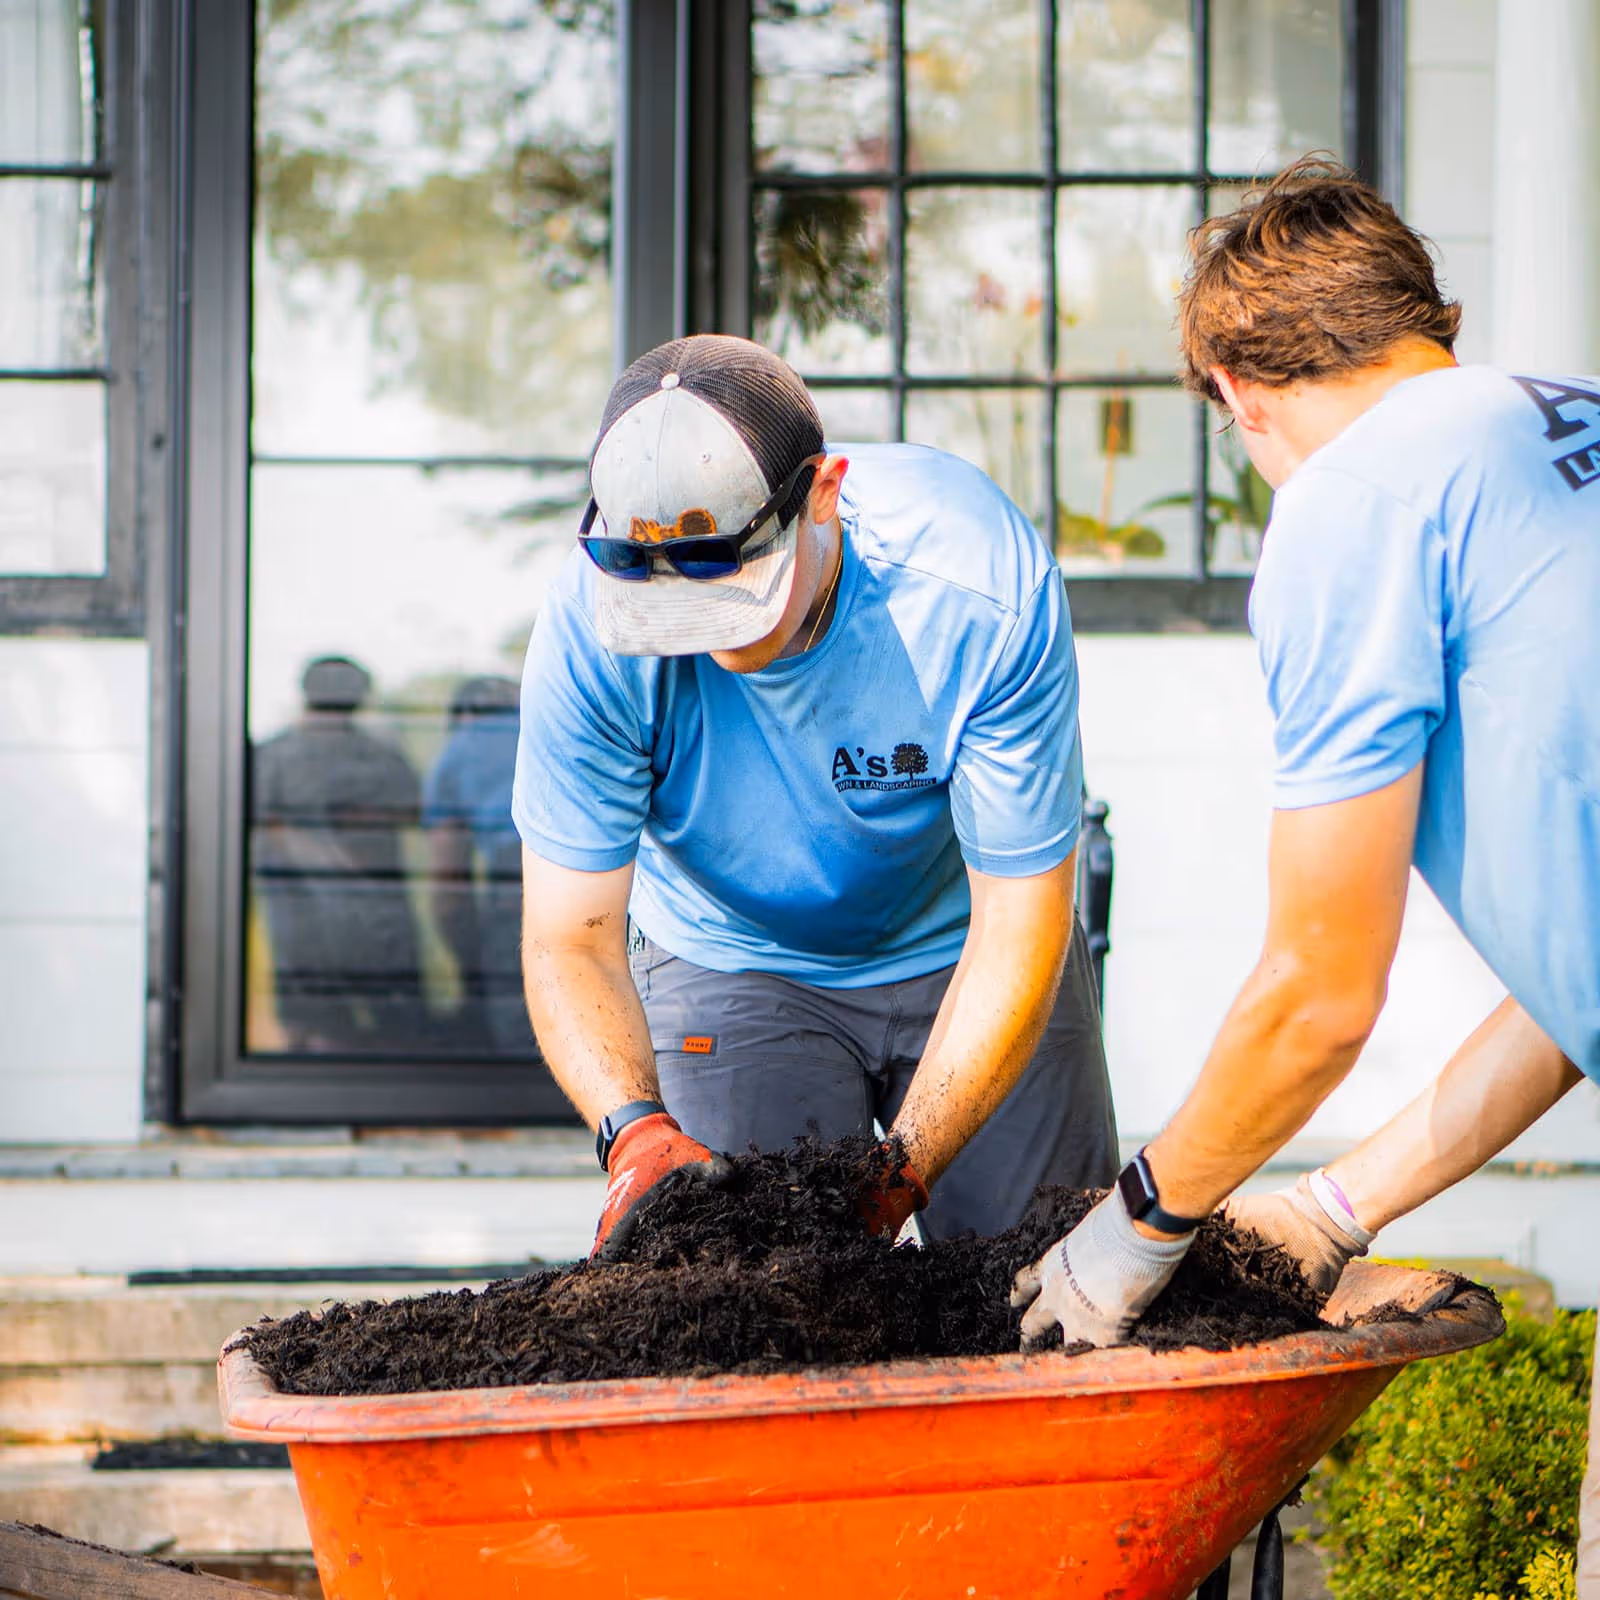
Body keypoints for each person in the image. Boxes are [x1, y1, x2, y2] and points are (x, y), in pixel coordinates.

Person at [1009, 158, 1600, 1587]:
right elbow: (1580, 980)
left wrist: (1136, 1228)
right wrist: (1335, 1208)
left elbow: (1321, 994)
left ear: (1238, 389)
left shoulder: (1353, 504)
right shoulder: (1562, 440)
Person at [513, 333, 1117, 1256]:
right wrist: (633, 1131)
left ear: (823, 493)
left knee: (1040, 1277)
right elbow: (571, 935)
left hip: (969, 948)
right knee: (759, 1299)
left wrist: (899, 1176)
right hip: (733, 957)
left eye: (724, 580)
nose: (701, 638)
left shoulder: (972, 588)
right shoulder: (589, 629)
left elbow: (1019, 926)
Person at [252, 654, 426, 1052]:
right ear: (361, 696)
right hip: (369, 925)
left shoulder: (272, 754)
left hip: (308, 922)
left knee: (311, 1025)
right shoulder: (382, 756)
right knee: (392, 1032)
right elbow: (416, 810)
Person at [423, 675, 531, 1054]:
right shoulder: (552, 728)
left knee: (522, 1040)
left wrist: (470, 965)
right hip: (606, 880)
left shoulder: (455, 755)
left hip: (512, 887)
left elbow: (448, 884)